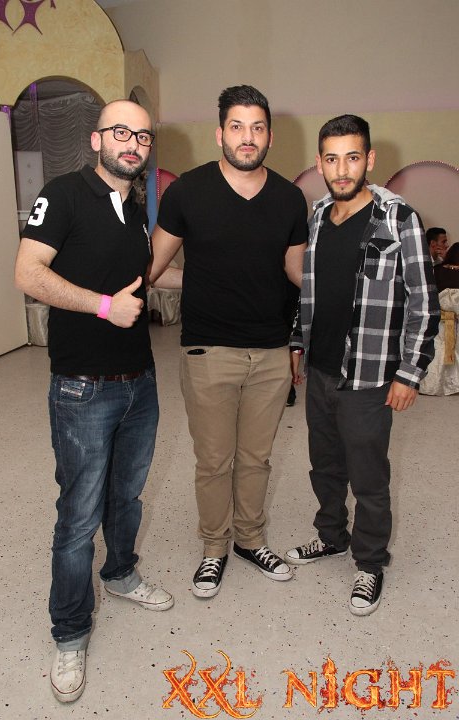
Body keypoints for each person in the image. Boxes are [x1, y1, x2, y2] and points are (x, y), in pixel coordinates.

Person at [14, 100, 179, 703]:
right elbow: (29, 273)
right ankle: (70, 630)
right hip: (82, 387)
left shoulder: (134, 208)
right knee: (80, 514)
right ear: (96, 139)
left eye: (142, 135)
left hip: (140, 382)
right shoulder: (63, 194)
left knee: (125, 496)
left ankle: (121, 573)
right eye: (121, 132)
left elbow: (145, 278)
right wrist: (104, 307)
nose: (132, 143)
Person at [149, 85, 308, 598]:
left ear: (270, 136)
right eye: (237, 126)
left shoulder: (289, 198)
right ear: (220, 133)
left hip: (271, 351)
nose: (247, 137)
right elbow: (152, 267)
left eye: (257, 127)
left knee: (257, 458)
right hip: (207, 350)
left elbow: (296, 271)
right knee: (215, 461)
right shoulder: (187, 192)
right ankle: (214, 547)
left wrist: (348, 291)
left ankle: (251, 540)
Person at [286, 115, 440, 616]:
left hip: (371, 376)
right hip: (320, 370)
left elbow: (424, 301)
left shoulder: (399, 218)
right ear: (319, 163)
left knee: (369, 476)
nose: (342, 169)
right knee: (325, 466)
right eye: (331, 159)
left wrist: (410, 372)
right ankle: (331, 535)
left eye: (352, 157)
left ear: (369, 159)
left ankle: (370, 561)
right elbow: (309, 289)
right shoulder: (316, 216)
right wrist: (297, 341)